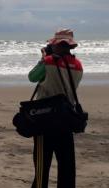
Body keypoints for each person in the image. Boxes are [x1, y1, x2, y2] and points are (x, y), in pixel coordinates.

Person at [28, 29, 83, 188]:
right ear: (70, 47)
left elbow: (32, 77)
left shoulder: (49, 62)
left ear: (56, 45)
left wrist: (43, 59)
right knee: (66, 166)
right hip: (66, 119)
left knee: (42, 167)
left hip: (44, 119)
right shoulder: (78, 65)